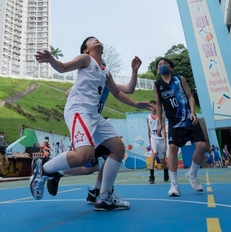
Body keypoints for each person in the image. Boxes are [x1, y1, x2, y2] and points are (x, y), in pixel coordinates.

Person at [30, 37, 144, 211]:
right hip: (79, 110)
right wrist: (51, 60)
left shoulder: (105, 72)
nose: (96, 40)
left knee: (118, 148)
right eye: (92, 40)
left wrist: (135, 90)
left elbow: (122, 92)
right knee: (84, 156)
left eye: (97, 39)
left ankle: (104, 197)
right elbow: (64, 67)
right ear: (86, 50)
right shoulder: (86, 59)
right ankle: (43, 168)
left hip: (94, 115)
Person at [153, 56, 207, 197]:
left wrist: (193, 112)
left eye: (165, 63)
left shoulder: (179, 79)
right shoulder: (157, 85)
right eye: (160, 64)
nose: (162, 65)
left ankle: (192, 174)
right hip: (174, 122)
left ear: (171, 68)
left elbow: (190, 96)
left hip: (189, 118)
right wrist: (160, 124)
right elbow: (158, 104)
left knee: (202, 146)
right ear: (157, 70)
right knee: (173, 149)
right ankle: (174, 185)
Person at [146, 102, 168, 183]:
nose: (152, 106)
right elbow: (149, 130)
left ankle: (166, 169)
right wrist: (149, 140)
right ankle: (151, 176)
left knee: (162, 159)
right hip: (153, 139)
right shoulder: (148, 118)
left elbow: (163, 129)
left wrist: (165, 142)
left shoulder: (161, 116)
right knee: (153, 154)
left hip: (161, 139)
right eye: (150, 104)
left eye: (154, 104)